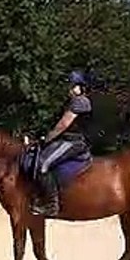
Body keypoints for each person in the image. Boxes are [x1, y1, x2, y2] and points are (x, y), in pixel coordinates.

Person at [33, 70, 95, 217]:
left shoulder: (80, 102)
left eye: (72, 86)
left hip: (74, 142)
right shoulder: (72, 101)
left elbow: (63, 124)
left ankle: (51, 205)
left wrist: (48, 138)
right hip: (67, 140)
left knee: (43, 164)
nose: (69, 89)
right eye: (69, 86)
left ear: (80, 87)